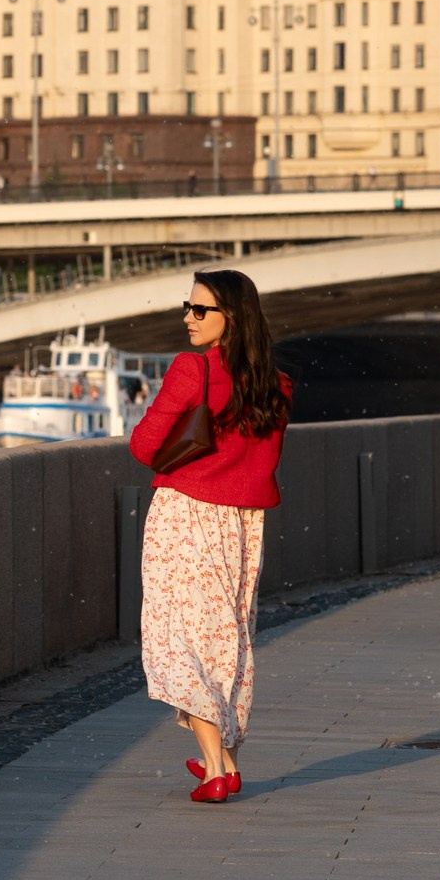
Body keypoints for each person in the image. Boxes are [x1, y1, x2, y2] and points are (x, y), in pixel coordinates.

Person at [128, 270, 292, 806]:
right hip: (245, 523)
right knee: (231, 638)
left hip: (186, 513)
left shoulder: (190, 370)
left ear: (231, 318)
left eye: (201, 310)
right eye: (187, 307)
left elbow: (144, 445)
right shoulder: (277, 384)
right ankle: (227, 759)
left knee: (180, 638)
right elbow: (260, 460)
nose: (188, 318)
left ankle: (217, 767)